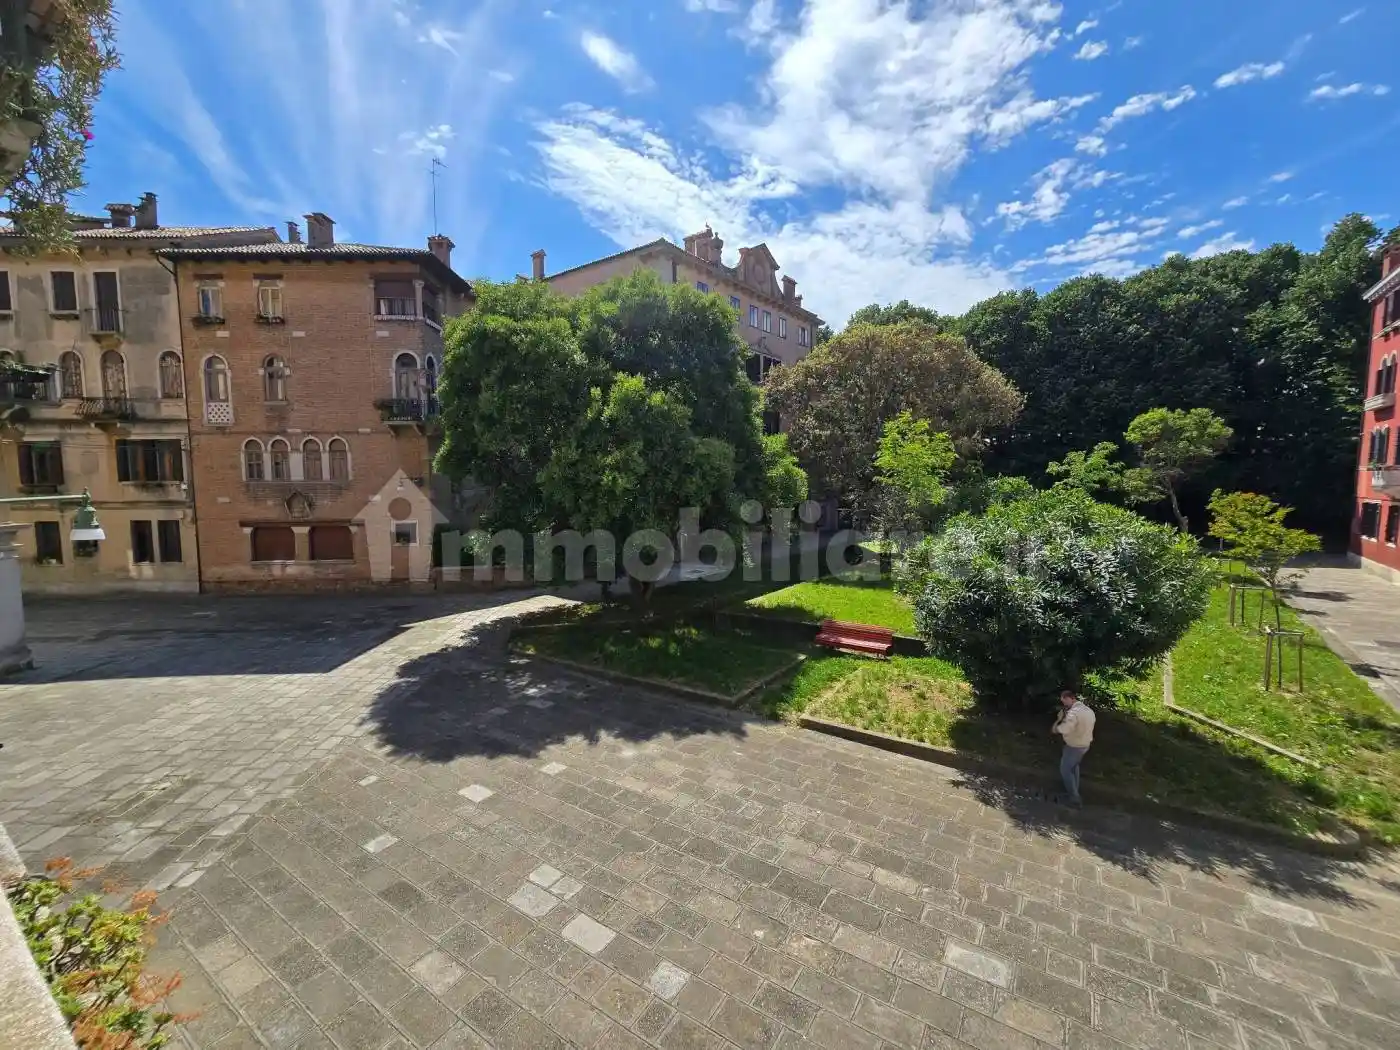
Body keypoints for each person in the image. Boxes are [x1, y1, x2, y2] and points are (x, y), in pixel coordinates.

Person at [1051, 688, 1095, 805]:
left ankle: (1074, 798)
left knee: (1065, 769)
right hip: (1085, 745)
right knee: (1074, 767)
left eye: (1064, 701)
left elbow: (1064, 728)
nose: (1064, 704)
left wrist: (1059, 722)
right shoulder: (1088, 710)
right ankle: (1074, 792)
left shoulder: (1073, 713)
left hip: (1074, 746)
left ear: (1071, 698)